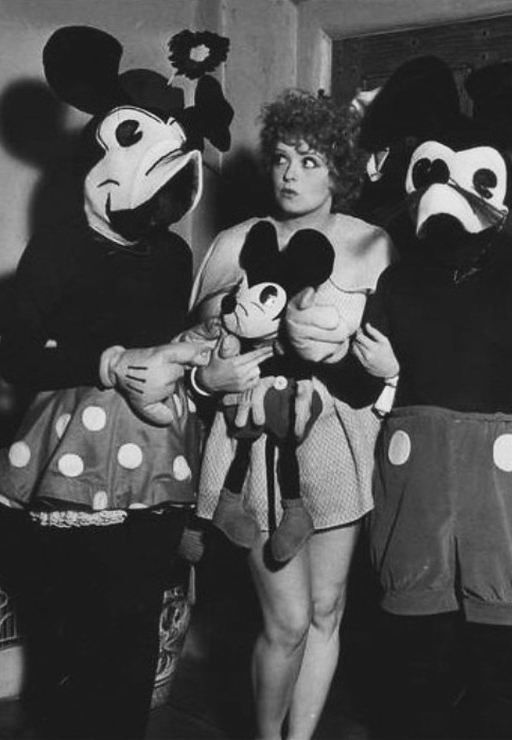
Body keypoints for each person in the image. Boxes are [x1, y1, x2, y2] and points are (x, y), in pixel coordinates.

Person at [348, 57, 512, 739]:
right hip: (418, 495)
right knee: (418, 669)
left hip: (504, 497)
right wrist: (368, 369)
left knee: (500, 671)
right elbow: (362, 385)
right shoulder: (399, 281)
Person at [0, 25, 232, 740]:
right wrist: (106, 363)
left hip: (155, 457)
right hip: (70, 461)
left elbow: (171, 346)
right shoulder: (59, 244)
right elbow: (18, 357)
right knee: (72, 629)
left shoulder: (173, 255)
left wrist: (199, 350)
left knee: (133, 626)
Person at [189, 88, 395, 740]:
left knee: (328, 609)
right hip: (257, 446)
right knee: (288, 620)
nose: (289, 174)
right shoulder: (234, 243)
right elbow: (195, 349)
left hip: (339, 439)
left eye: (309, 161)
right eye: (281, 158)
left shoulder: (372, 245)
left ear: (339, 169)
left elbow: (394, 354)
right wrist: (207, 377)